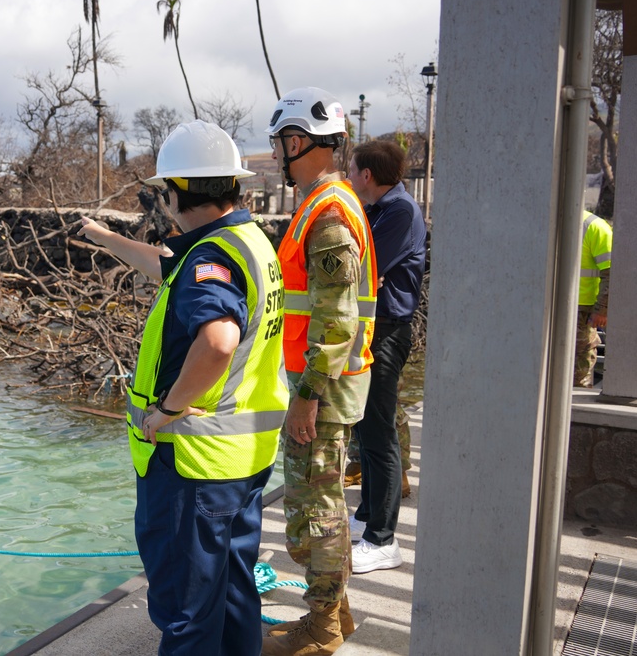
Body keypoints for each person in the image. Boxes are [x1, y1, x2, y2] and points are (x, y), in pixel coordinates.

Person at [77, 120, 288, 656]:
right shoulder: (247, 242)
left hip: (194, 464)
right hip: (242, 460)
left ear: (173, 193)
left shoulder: (211, 257)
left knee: (186, 612)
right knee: (234, 592)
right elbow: (168, 267)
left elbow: (217, 341)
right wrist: (104, 238)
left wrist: (169, 409)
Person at [261, 87, 376, 656]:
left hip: (323, 389)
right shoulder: (329, 203)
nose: (281, 153)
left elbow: (336, 322)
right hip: (326, 385)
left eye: (283, 141)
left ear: (299, 140)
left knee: (318, 510)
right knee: (317, 503)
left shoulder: (327, 215)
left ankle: (322, 627)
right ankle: (338, 614)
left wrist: (306, 395)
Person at [345, 140, 426, 574]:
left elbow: (364, 264)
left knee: (379, 434)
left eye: (352, 169)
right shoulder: (380, 208)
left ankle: (383, 538)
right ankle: (366, 518)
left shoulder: (399, 211)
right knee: (366, 428)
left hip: (389, 331)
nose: (349, 175)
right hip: (373, 329)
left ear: (367, 176)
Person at [575, 210, 612, 387]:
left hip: (582, 311)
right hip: (577, 308)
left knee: (578, 368)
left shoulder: (595, 227)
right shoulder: (595, 226)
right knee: (578, 369)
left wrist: (602, 310)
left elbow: (611, 274)